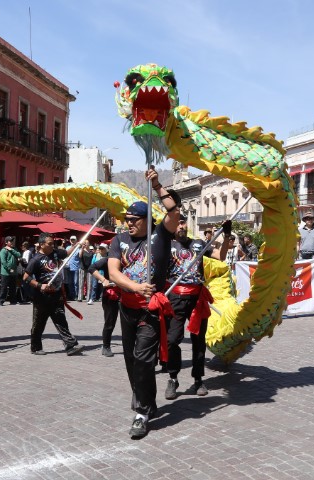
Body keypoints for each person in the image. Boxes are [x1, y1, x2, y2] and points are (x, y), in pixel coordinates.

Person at [108, 168, 179, 439]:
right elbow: (114, 273)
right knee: (130, 359)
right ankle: (146, 399)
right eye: (127, 219)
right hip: (127, 306)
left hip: (150, 308)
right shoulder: (119, 240)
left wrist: (159, 186)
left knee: (142, 358)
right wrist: (136, 286)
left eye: (134, 220)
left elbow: (174, 212)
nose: (129, 224)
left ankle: (141, 413)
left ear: (148, 220)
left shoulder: (160, 236)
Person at [163, 214, 224, 400]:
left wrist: (226, 237)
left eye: (183, 222)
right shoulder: (166, 246)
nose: (181, 226)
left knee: (198, 341)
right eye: (178, 223)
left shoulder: (198, 244)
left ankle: (198, 379)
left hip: (197, 298)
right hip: (175, 298)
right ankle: (173, 378)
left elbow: (220, 256)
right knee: (172, 340)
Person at [23, 232, 84, 356]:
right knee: (38, 324)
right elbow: (26, 277)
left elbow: (67, 253)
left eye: (53, 243)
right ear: (41, 245)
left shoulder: (55, 253)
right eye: (49, 244)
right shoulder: (36, 260)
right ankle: (35, 347)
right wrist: (40, 285)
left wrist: (77, 245)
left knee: (61, 320)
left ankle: (70, 345)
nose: (52, 246)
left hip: (56, 295)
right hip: (41, 297)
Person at [87, 244, 118, 357]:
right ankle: (106, 346)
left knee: (129, 323)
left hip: (126, 294)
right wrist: (103, 279)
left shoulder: (128, 261)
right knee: (110, 322)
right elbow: (91, 268)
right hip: (111, 294)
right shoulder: (107, 260)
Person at [0, 236, 21, 306]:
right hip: (5, 272)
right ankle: (1, 301)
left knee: (13, 287)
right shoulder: (3, 250)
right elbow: (3, 262)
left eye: (12, 241)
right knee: (4, 287)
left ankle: (13, 301)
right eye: (10, 241)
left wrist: (11, 250)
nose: (12, 242)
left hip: (14, 272)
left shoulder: (14, 249)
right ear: (6, 242)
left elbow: (19, 255)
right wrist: (9, 269)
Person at [66, 236, 82, 301]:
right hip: (68, 267)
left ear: (76, 240)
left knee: (75, 282)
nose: (72, 241)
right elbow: (65, 255)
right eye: (71, 239)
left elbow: (80, 256)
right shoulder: (68, 247)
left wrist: (81, 248)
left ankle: (75, 295)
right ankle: (71, 295)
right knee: (70, 282)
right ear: (70, 240)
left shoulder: (78, 248)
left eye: (73, 240)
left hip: (76, 267)